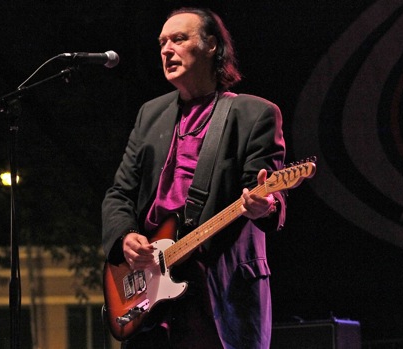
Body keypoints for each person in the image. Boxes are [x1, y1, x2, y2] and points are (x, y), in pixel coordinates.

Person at [102, 7, 286, 349]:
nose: (166, 49)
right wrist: (125, 237)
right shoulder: (150, 114)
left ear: (211, 45)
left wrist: (266, 205)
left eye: (179, 39)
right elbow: (120, 193)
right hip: (150, 285)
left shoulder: (254, 113)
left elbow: (267, 190)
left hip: (217, 286)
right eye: (162, 42)